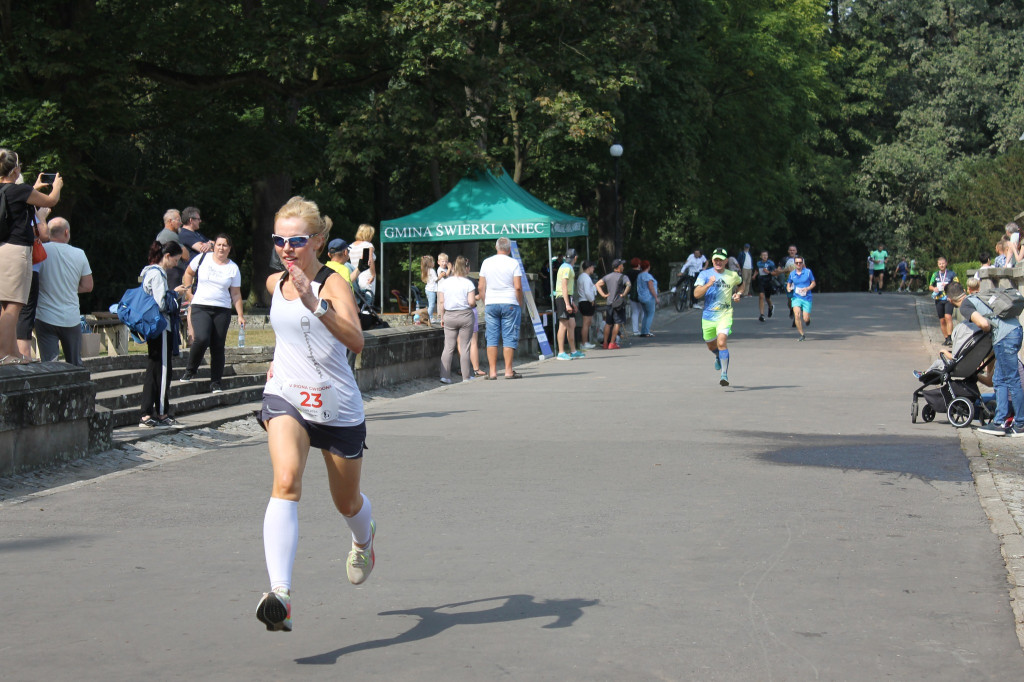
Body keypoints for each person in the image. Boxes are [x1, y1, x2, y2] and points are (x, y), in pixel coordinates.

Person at [256, 196, 375, 633]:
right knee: (286, 480)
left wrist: (315, 304)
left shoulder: (333, 284)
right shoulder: (274, 284)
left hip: (337, 405)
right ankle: (280, 596)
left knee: (346, 501)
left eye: (297, 240)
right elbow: (288, 331)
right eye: (280, 241)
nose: (287, 249)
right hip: (286, 396)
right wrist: (278, 359)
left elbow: (357, 341)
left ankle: (364, 538)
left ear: (318, 242)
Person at [0, 149, 63, 364]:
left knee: (6, 304)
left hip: (2, 249)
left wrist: (32, 188)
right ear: (16, 170)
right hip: (16, 251)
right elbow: (51, 201)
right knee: (14, 305)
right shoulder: (20, 191)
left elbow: (17, 201)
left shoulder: (11, 191)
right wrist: (57, 187)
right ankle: (4, 353)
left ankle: (13, 353)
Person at [947, 280, 1024, 437]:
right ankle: (999, 423)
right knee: (999, 380)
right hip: (1014, 330)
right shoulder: (977, 297)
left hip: (1005, 337)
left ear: (949, 299)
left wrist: (986, 331)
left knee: (1011, 380)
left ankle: (1020, 424)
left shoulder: (966, 305)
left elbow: (983, 324)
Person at [179, 234, 245, 392]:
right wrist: (189, 293)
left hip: (222, 309)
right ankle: (191, 370)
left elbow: (235, 294)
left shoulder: (233, 268)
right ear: (214, 246)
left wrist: (240, 315)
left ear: (229, 249)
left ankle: (216, 382)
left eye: (225, 245)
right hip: (201, 306)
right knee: (201, 338)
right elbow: (188, 274)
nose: (221, 248)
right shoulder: (203, 259)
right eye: (219, 245)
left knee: (218, 345)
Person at [35, 218, 93, 365]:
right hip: (71, 317)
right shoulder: (79, 254)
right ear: (66, 232)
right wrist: (70, 287)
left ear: (48, 233)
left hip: (44, 316)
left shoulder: (40, 250)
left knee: (50, 365)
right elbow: (88, 286)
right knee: (74, 364)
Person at [138, 241, 182, 427]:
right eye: (176, 259)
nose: (176, 264)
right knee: (163, 370)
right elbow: (161, 304)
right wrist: (174, 296)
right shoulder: (157, 275)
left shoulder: (148, 272)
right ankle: (161, 412)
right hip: (161, 327)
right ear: (167, 256)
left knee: (154, 369)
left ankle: (148, 412)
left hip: (154, 327)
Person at [694, 248, 742, 386]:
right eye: (716, 259)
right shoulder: (705, 274)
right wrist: (709, 284)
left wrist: (738, 294)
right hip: (708, 316)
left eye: (721, 259)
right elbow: (696, 294)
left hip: (724, 315)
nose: (718, 262)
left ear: (726, 261)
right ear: (712, 260)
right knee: (711, 346)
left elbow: (741, 285)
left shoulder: (732, 275)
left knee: (721, 342)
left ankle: (724, 375)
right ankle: (717, 356)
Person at [478, 237, 524, 379]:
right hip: (510, 302)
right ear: (509, 249)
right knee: (509, 336)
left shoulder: (486, 262)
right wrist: (520, 302)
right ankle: (508, 371)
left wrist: (486, 302)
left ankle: (492, 372)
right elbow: (517, 286)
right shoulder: (513, 263)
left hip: (491, 302)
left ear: (496, 247)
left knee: (491, 337)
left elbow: (480, 286)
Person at [16, 205, 51, 360]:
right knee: (26, 313)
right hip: (27, 267)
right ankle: (24, 355)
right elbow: (43, 235)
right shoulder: (27, 209)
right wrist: (42, 217)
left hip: (5, 267)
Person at [437, 255, 477, 383]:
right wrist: (474, 304)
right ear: (466, 268)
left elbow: (441, 302)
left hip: (449, 315)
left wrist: (442, 317)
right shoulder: (468, 283)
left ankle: (445, 376)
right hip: (465, 315)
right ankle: (466, 376)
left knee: (448, 346)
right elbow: (471, 302)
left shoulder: (446, 282)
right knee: (464, 346)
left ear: (453, 267)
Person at [554, 249, 583, 359]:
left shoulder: (566, 266)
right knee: (563, 324)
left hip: (567, 297)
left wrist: (572, 302)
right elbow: (564, 285)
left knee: (571, 324)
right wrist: (567, 303)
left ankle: (573, 350)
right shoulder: (566, 268)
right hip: (562, 297)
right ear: (575, 257)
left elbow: (568, 288)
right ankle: (561, 352)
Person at [596, 259, 631, 350]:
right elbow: (629, 285)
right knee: (617, 323)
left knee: (608, 323)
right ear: (619, 267)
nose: (623, 267)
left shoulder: (607, 277)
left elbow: (597, 284)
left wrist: (603, 294)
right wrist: (624, 294)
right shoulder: (623, 277)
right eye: (622, 265)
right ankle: (612, 343)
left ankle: (605, 343)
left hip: (609, 303)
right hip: (618, 304)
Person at [929, 257, 959, 346]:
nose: (941, 265)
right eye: (940, 264)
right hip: (938, 299)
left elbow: (957, 284)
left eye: (943, 263)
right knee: (942, 320)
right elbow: (930, 286)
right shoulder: (935, 275)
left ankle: (950, 337)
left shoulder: (951, 274)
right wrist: (934, 288)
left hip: (948, 299)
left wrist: (948, 285)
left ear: (946, 263)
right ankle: (946, 338)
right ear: (938, 265)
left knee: (948, 317)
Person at [786, 255, 816, 341]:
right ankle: (802, 334)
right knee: (797, 315)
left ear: (803, 263)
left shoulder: (808, 272)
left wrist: (807, 288)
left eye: (800, 262)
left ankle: (808, 319)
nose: (798, 264)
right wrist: (788, 288)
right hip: (796, 297)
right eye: (797, 263)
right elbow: (789, 283)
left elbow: (813, 283)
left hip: (807, 297)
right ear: (794, 264)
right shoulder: (792, 274)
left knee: (805, 319)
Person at [349, 223, 376, 306]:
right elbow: (369, 260)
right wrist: (373, 275)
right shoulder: (368, 245)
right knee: (368, 302)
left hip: (354, 275)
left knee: (357, 302)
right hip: (366, 275)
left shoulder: (351, 246)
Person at [576, 260, 598, 349]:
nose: (593, 269)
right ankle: (584, 342)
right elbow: (587, 291)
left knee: (587, 323)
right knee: (586, 323)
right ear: (589, 268)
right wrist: (592, 300)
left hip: (583, 301)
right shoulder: (586, 277)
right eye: (592, 267)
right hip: (586, 301)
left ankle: (585, 342)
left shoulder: (582, 277)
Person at [637, 259, 658, 337]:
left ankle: (643, 331)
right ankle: (647, 331)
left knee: (645, 314)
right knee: (650, 314)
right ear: (648, 266)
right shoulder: (648, 276)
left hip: (641, 297)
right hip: (649, 297)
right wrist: (656, 297)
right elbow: (651, 287)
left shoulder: (639, 275)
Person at [755, 250, 775, 322]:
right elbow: (757, 270)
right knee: (761, 296)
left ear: (767, 256)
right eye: (763, 255)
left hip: (768, 282)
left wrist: (768, 272)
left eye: (766, 255)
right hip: (761, 281)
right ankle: (762, 314)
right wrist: (754, 276)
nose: (764, 256)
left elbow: (775, 272)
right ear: (760, 256)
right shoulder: (758, 263)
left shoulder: (771, 263)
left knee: (767, 298)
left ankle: (771, 307)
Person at [626, 257, 642, 336]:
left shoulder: (628, 273)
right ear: (638, 264)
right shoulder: (641, 273)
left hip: (631, 294)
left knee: (635, 312)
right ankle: (643, 328)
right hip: (640, 294)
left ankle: (635, 330)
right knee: (642, 311)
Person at [421, 255, 439, 324]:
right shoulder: (431, 270)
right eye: (433, 262)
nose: (434, 263)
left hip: (428, 289)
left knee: (430, 304)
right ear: (429, 263)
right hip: (431, 290)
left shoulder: (426, 270)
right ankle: (427, 317)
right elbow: (436, 279)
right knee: (431, 305)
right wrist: (441, 275)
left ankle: (430, 317)